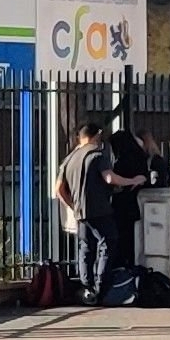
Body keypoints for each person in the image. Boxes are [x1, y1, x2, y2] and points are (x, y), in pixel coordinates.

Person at [54, 119, 114, 301]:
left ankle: (86, 288)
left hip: (80, 212)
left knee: (85, 247)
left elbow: (58, 190)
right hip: (100, 209)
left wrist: (73, 206)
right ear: (97, 135)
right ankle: (101, 285)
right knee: (108, 243)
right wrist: (134, 180)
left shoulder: (69, 159)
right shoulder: (97, 155)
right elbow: (110, 179)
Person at [103, 124, 154, 278]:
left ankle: (119, 272)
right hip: (133, 206)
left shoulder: (122, 161)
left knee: (119, 241)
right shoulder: (141, 158)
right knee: (130, 241)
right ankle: (130, 270)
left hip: (121, 207)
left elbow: (114, 182)